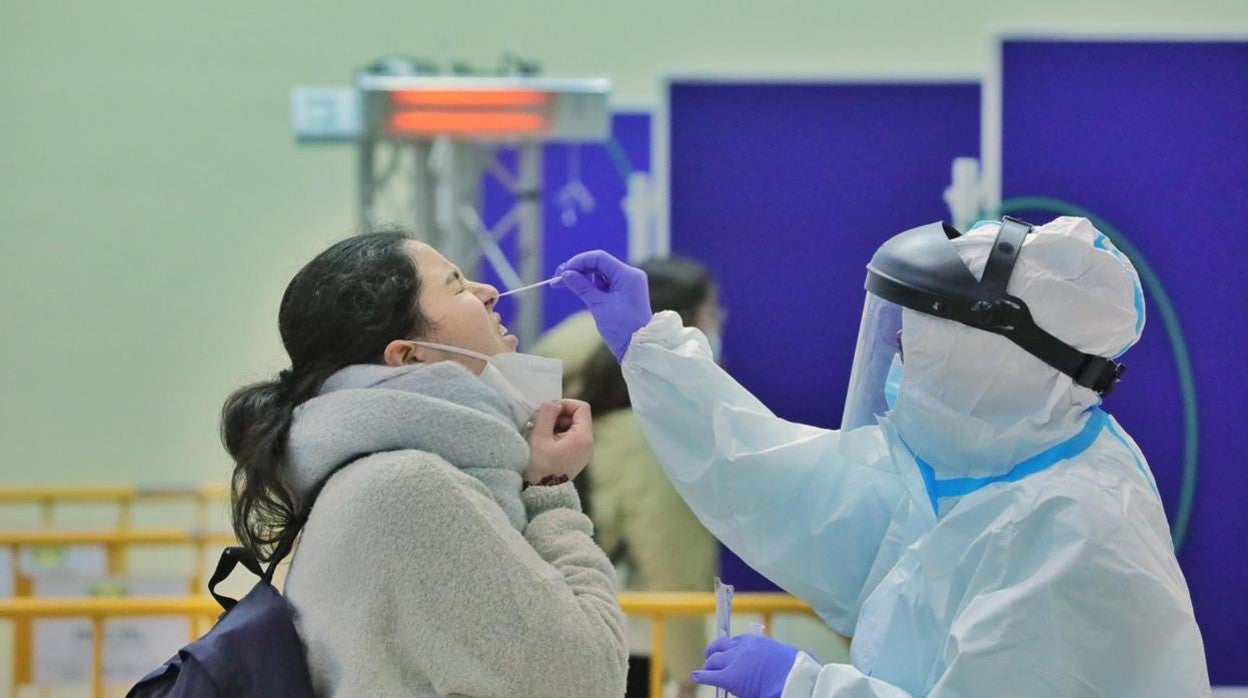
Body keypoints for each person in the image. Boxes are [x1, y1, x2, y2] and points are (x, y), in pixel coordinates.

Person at [554, 217, 1209, 697]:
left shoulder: (1076, 526)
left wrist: (805, 687)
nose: (900, 365)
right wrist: (652, 348)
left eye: (920, 344)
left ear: (992, 360)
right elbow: (779, 478)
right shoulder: (970, 469)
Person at [221, 231, 627, 697]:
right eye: (456, 286)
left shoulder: (375, 475)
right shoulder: (410, 489)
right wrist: (550, 490)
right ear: (409, 357)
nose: (488, 291)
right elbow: (588, 679)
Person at [575, 258, 724, 698]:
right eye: (712, 312)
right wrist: (690, 677)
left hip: (597, 638)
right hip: (634, 650)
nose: (719, 325)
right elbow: (670, 566)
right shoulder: (648, 434)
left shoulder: (592, 404)